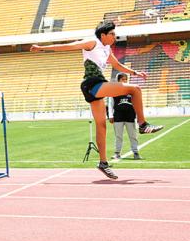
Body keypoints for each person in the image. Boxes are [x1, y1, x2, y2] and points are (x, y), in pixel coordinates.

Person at [30, 20, 163, 180]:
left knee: (102, 126)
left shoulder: (107, 49)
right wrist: (41, 48)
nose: (115, 36)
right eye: (112, 34)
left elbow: (118, 65)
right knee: (134, 89)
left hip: (97, 86)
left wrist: (135, 72)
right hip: (92, 83)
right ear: (103, 35)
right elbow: (68, 46)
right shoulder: (92, 42)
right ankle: (142, 125)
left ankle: (103, 163)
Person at [108, 73, 141, 160]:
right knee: (118, 136)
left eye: (126, 79)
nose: (125, 81)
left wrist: (139, 116)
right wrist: (110, 115)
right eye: (123, 79)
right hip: (118, 117)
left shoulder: (131, 90)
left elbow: (137, 104)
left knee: (133, 135)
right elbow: (110, 104)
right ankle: (117, 153)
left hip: (130, 116)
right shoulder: (113, 91)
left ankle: (136, 152)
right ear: (118, 80)